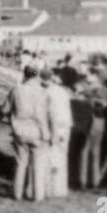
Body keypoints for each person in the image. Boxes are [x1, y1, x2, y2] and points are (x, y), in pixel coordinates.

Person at [3, 63, 51, 201]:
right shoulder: (43, 92)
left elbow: (4, 110)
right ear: (37, 76)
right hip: (39, 131)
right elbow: (47, 113)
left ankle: (17, 195)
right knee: (38, 165)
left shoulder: (16, 90)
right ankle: (37, 196)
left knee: (20, 163)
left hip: (20, 131)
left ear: (24, 74)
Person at [45, 69, 74, 198]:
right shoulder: (63, 92)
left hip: (55, 126)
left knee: (52, 156)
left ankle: (51, 188)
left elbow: (50, 112)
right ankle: (60, 188)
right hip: (66, 126)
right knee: (62, 156)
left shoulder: (48, 92)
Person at [80, 72, 107, 189]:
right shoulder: (101, 92)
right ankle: (94, 181)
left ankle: (83, 180)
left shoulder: (94, 93)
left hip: (92, 122)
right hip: (100, 122)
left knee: (85, 152)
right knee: (94, 153)